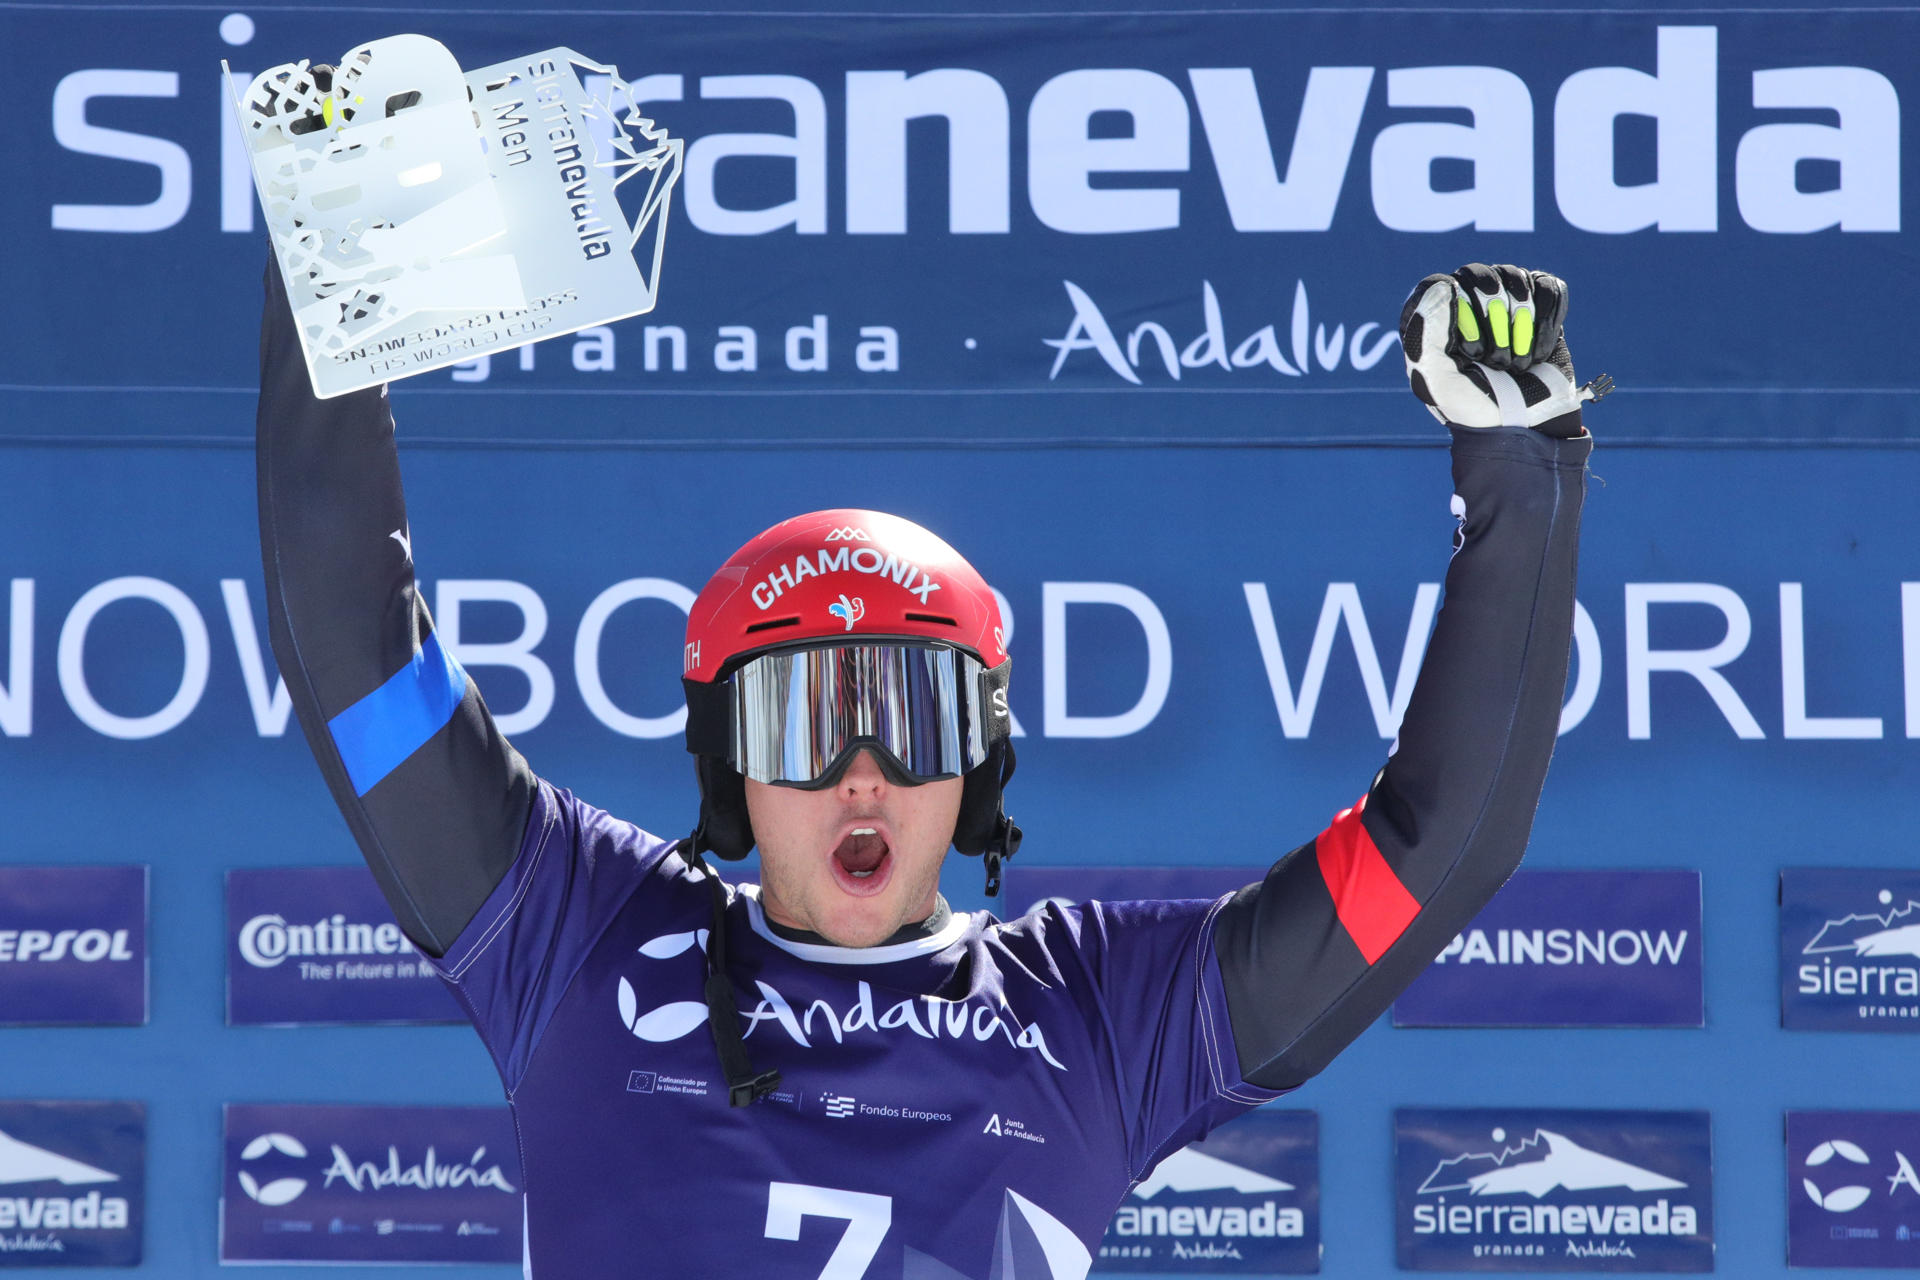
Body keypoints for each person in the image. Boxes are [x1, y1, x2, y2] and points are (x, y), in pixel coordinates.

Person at [256, 259, 1599, 1280]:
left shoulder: (1100, 1014)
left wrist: (1524, 476)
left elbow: (1440, 848)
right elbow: (355, 657)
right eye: (802, 725)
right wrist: (336, 282)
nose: (861, 775)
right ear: (731, 773)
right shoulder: (578, 932)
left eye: (913, 719)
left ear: (983, 770)